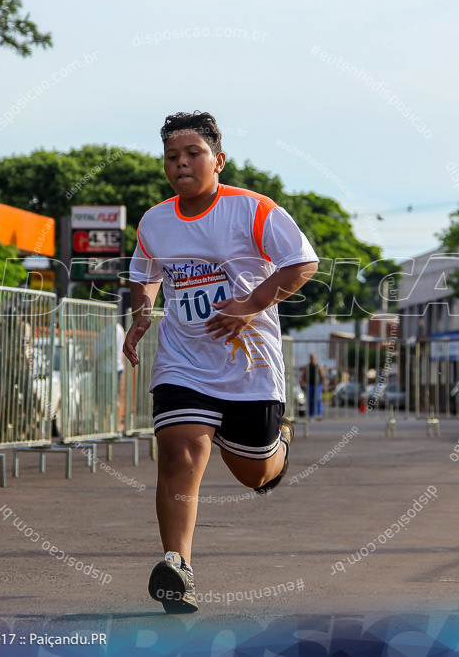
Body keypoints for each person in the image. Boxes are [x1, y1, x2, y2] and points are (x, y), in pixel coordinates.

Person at [124, 111, 318, 614]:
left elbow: (302, 262)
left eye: (193, 154)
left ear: (219, 160)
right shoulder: (155, 220)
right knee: (179, 453)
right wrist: (142, 314)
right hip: (183, 360)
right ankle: (177, 566)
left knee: (255, 474)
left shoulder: (254, 211)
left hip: (248, 364)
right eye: (172, 156)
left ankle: (279, 442)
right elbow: (144, 272)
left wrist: (249, 306)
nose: (182, 163)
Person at [300, 354, 326, 418]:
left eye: (313, 358)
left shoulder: (319, 366)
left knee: (318, 399)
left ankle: (319, 414)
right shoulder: (307, 367)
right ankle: (311, 415)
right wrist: (302, 382)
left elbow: (322, 376)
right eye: (311, 358)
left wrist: (324, 385)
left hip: (317, 385)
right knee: (310, 400)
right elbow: (303, 376)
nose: (312, 359)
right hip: (309, 385)